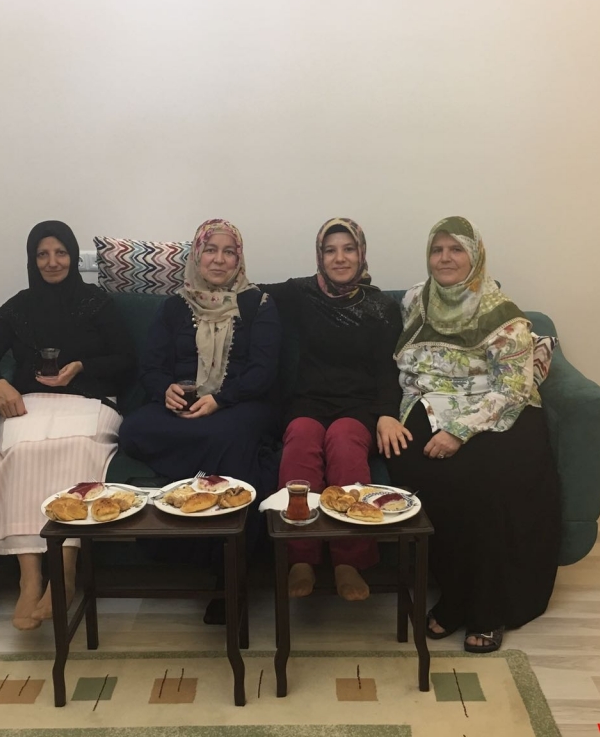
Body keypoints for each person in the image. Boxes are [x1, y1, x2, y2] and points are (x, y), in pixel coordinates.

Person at [384, 216, 560, 652]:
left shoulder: (503, 314)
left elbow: (514, 388)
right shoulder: (416, 301)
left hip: (499, 407)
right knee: (420, 466)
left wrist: (459, 432)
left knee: (487, 481)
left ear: (475, 256)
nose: (445, 258)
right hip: (432, 400)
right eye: (437, 250)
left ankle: (487, 608)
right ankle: (456, 594)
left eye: (456, 249)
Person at [0, 220, 135, 631]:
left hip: (89, 401)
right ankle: (29, 580)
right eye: (43, 254)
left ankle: (64, 571)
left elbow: (128, 359)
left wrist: (81, 367)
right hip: (32, 404)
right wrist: (0, 384)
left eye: (60, 253)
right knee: (23, 451)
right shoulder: (19, 307)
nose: (52, 262)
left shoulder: (97, 303)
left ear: (73, 257)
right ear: (32, 259)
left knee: (75, 447)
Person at [118, 219, 281, 622]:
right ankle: (206, 484)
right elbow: (152, 366)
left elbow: (263, 372)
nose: (219, 259)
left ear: (239, 259)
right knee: (133, 429)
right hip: (186, 405)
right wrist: (165, 390)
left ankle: (231, 577)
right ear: (197, 255)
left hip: (239, 404)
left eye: (229, 252)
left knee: (231, 440)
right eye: (211, 250)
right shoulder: (175, 306)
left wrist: (221, 399)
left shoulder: (258, 304)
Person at [261, 218, 406, 602]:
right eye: (330, 250)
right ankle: (300, 556)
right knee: (300, 438)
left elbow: (388, 369)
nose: (339, 258)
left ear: (361, 253)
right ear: (319, 256)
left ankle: (349, 560)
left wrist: (388, 412)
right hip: (308, 401)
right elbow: (249, 291)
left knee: (343, 440)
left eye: (348, 249)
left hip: (360, 406)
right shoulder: (302, 292)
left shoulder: (382, 307)